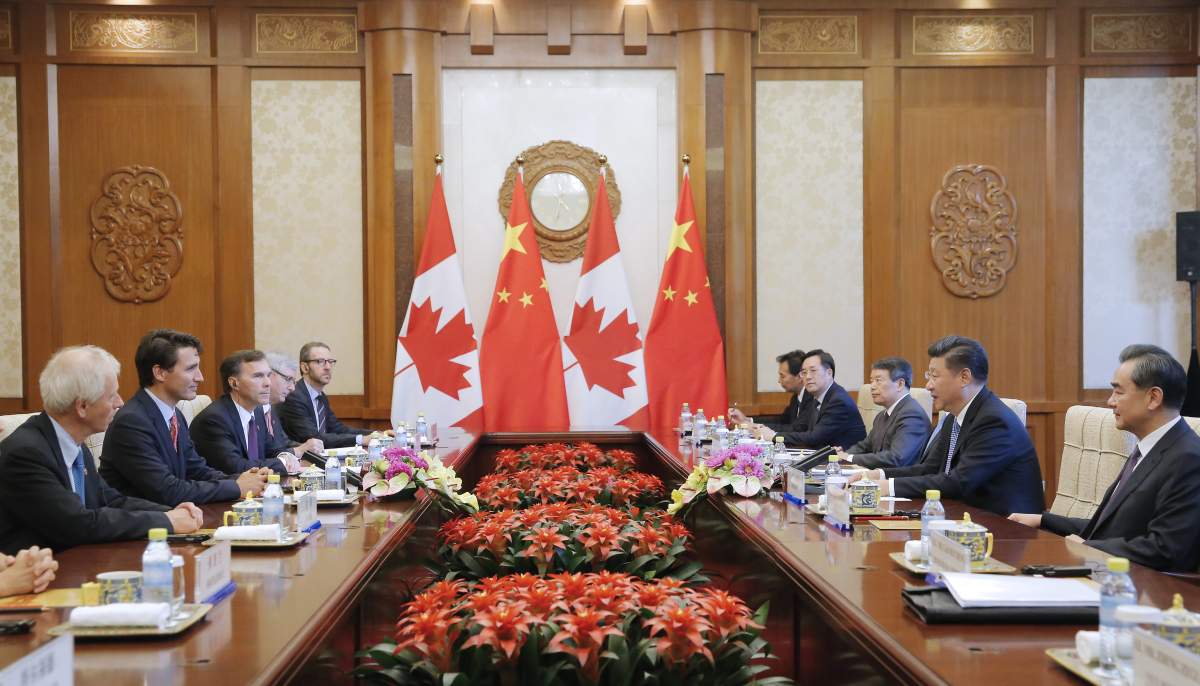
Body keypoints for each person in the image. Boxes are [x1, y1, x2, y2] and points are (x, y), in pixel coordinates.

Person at [1009, 345, 1200, 572]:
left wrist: (1091, 548)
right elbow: (1108, 529)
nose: (1110, 401)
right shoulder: (1148, 449)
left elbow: (1167, 548)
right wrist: (1043, 520)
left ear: (1153, 398)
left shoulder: (1188, 459)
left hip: (1148, 591)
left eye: (1118, 392)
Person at [0, 346, 203, 554]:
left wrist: (173, 512)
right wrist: (165, 521)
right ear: (82, 407)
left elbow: (109, 499)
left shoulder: (75, 444)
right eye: (112, 396)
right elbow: (77, 524)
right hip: (37, 574)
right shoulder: (25, 454)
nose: (120, 403)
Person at [848, 336, 1043, 516]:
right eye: (928, 376)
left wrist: (886, 487)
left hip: (1005, 531)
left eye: (934, 376)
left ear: (964, 377)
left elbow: (959, 482)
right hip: (960, 517)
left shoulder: (994, 421)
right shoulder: (954, 416)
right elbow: (929, 469)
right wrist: (876, 474)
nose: (928, 385)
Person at [100, 329, 270, 506]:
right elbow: (167, 490)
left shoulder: (175, 415)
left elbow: (196, 470)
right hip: (145, 525)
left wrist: (245, 479)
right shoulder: (132, 422)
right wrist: (236, 486)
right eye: (191, 369)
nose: (200, 377)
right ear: (160, 373)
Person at [191, 350, 320, 476]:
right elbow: (237, 467)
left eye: (268, 375)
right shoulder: (215, 419)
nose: (268, 383)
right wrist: (285, 463)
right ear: (234, 383)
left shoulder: (258, 411)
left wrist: (286, 457)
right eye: (258, 376)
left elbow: (272, 450)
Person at [280, 341, 383, 448]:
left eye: (330, 361)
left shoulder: (321, 397)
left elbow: (338, 429)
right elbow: (314, 438)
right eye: (320, 361)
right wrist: (360, 440)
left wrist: (376, 434)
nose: (328, 367)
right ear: (305, 367)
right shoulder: (294, 396)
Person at [757, 349, 866, 449]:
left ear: (829, 373)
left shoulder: (838, 401)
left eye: (813, 371)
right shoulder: (818, 397)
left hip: (846, 463)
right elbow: (802, 429)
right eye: (804, 372)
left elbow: (814, 437)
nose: (807, 377)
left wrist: (774, 436)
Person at [838, 357, 931, 468]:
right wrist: (842, 455)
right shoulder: (882, 415)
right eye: (871, 381)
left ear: (900, 384)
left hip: (898, 482)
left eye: (878, 380)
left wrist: (849, 458)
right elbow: (864, 446)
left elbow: (896, 458)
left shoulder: (912, 415)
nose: (872, 386)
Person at [730, 350, 806, 431]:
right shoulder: (796, 397)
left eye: (782, 376)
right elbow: (781, 421)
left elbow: (796, 429)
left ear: (799, 377)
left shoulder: (811, 398)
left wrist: (753, 426)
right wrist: (747, 420)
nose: (779, 381)